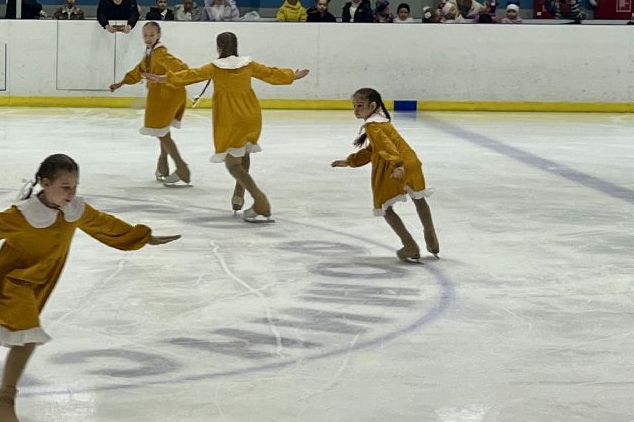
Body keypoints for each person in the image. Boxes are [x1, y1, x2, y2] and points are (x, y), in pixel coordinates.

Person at [0, 154, 176, 422]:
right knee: (27, 335)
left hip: (39, 286)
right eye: (65, 187)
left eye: (75, 186)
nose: (71, 193)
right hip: (11, 283)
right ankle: (3, 403)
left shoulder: (74, 210)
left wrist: (140, 237)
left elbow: (105, 225)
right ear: (45, 183)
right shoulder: (23, 213)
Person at [152, 31, 309, 223]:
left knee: (232, 163)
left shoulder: (214, 68)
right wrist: (292, 75)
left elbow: (189, 76)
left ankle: (260, 200)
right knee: (244, 154)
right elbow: (271, 74)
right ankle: (238, 194)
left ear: (219, 47)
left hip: (230, 118)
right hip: (251, 114)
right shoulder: (248, 65)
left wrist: (163, 79)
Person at [331, 88, 439, 261]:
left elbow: (385, 146)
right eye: (354, 106)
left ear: (372, 105)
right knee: (419, 200)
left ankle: (409, 245)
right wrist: (351, 161)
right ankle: (431, 237)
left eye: (360, 106)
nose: (356, 110)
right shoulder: (382, 122)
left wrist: (397, 165)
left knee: (385, 208)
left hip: (394, 166)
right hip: (411, 162)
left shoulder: (373, 126)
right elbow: (373, 149)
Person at [108, 20, 191, 186]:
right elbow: (139, 71)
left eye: (152, 35)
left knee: (160, 131)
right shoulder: (150, 52)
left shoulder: (160, 53)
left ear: (158, 35)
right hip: (164, 94)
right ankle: (163, 166)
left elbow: (182, 68)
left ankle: (182, 168)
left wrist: (163, 79)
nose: (148, 38)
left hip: (167, 94)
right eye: (145, 35)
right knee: (162, 130)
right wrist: (122, 82)